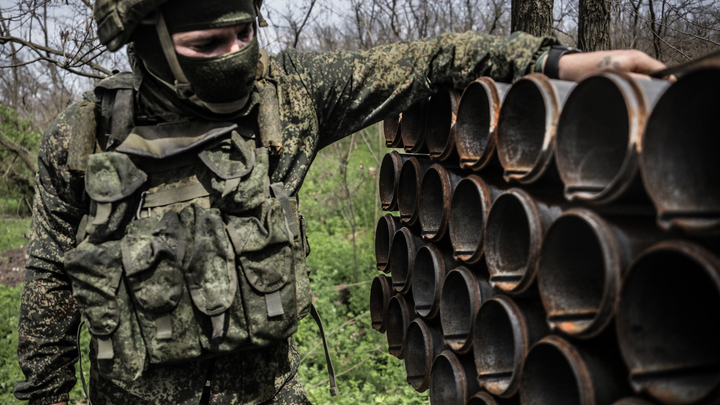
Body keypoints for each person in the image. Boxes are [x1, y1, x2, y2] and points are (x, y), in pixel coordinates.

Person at [13, 0, 669, 404]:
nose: (236, 57)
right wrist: (46, 394)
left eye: (245, 34)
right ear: (153, 49)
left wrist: (560, 60)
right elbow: (49, 278)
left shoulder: (286, 98)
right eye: (208, 46)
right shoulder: (85, 139)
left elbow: (428, 59)